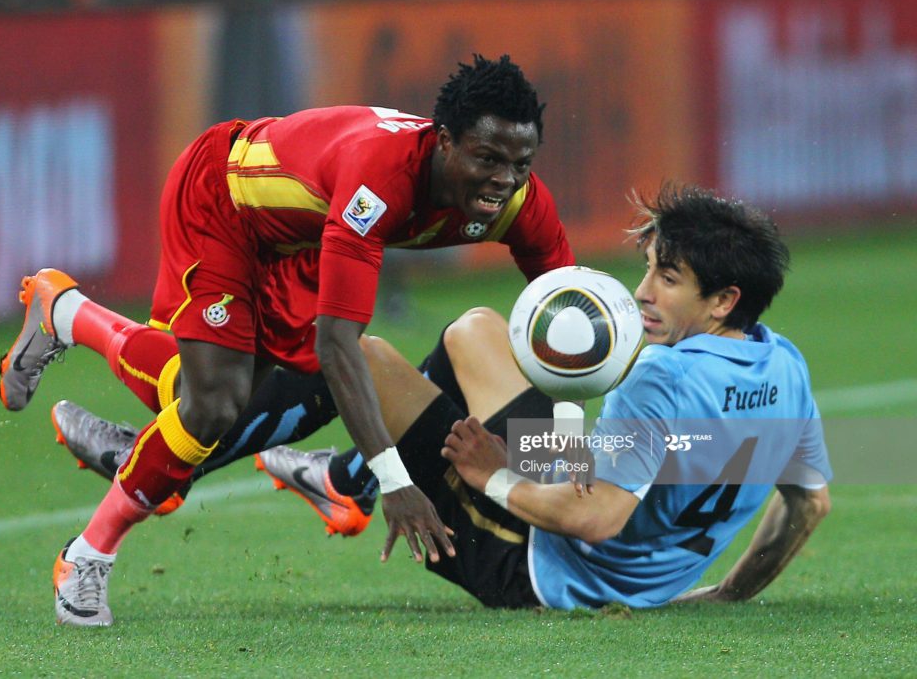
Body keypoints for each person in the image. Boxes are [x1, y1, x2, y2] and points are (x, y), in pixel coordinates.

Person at [53, 184, 833, 610]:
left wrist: (494, 473)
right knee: (475, 331)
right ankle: (348, 481)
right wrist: (726, 593)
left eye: (667, 276)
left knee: (355, 357)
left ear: (724, 299)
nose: (642, 293)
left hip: (534, 568)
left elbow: (597, 515)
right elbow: (811, 503)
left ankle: (166, 459)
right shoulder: (785, 364)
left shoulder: (664, 377)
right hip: (607, 511)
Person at [0, 54, 574, 626]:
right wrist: (394, 479)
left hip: (302, 241)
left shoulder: (518, 202)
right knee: (210, 408)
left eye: (521, 162)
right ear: (445, 141)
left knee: (200, 404)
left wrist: (570, 458)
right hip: (225, 201)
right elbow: (337, 346)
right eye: (488, 158)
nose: (504, 179)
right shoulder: (381, 180)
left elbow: (568, 331)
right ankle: (88, 555)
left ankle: (68, 313)